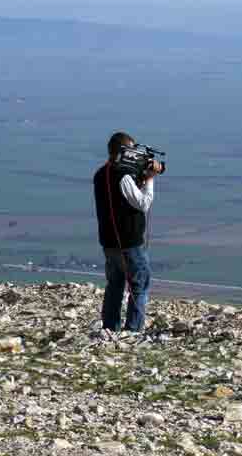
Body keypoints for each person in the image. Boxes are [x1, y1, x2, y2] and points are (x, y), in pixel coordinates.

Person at [93, 131, 162, 332]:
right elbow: (143, 204)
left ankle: (109, 328)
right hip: (128, 243)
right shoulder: (123, 177)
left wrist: (138, 177)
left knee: (115, 286)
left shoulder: (101, 174)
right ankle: (132, 331)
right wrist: (149, 180)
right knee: (139, 286)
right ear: (124, 151)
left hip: (109, 242)